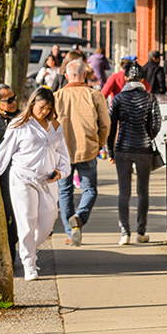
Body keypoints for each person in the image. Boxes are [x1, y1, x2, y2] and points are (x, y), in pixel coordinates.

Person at [0, 87, 69, 281]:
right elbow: (4, 152)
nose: (44, 111)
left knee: (47, 222)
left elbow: (63, 155)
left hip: (47, 181)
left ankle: (28, 249)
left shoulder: (55, 126)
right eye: (41, 107)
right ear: (33, 103)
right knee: (27, 220)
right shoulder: (19, 124)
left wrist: (61, 172)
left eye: (48, 108)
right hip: (23, 179)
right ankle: (29, 264)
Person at [54, 59, 111, 246]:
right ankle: (79, 218)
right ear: (84, 75)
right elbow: (105, 124)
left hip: (62, 152)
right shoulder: (94, 96)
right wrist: (100, 143)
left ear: (66, 76)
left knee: (65, 191)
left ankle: (71, 232)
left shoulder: (57, 97)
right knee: (89, 190)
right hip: (88, 149)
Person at [107, 61, 161, 245]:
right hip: (144, 148)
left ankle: (125, 233)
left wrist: (110, 151)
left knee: (124, 192)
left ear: (126, 78)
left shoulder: (118, 99)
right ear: (143, 79)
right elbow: (157, 124)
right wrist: (148, 133)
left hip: (122, 147)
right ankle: (141, 231)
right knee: (143, 191)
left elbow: (111, 126)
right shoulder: (150, 98)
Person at [0, 83, 20, 266]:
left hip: (18, 175)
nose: (13, 102)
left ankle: (13, 246)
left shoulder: (21, 117)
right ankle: (6, 255)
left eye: (14, 98)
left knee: (15, 214)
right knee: (2, 215)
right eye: (9, 100)